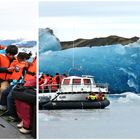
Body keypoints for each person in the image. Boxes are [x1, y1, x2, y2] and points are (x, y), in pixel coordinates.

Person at [0, 45, 18, 110]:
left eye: (14, 55)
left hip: (7, 80)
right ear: (7, 53)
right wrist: (6, 69)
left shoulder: (16, 60)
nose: (12, 56)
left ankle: (2, 106)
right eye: (11, 55)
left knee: (3, 89)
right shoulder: (1, 57)